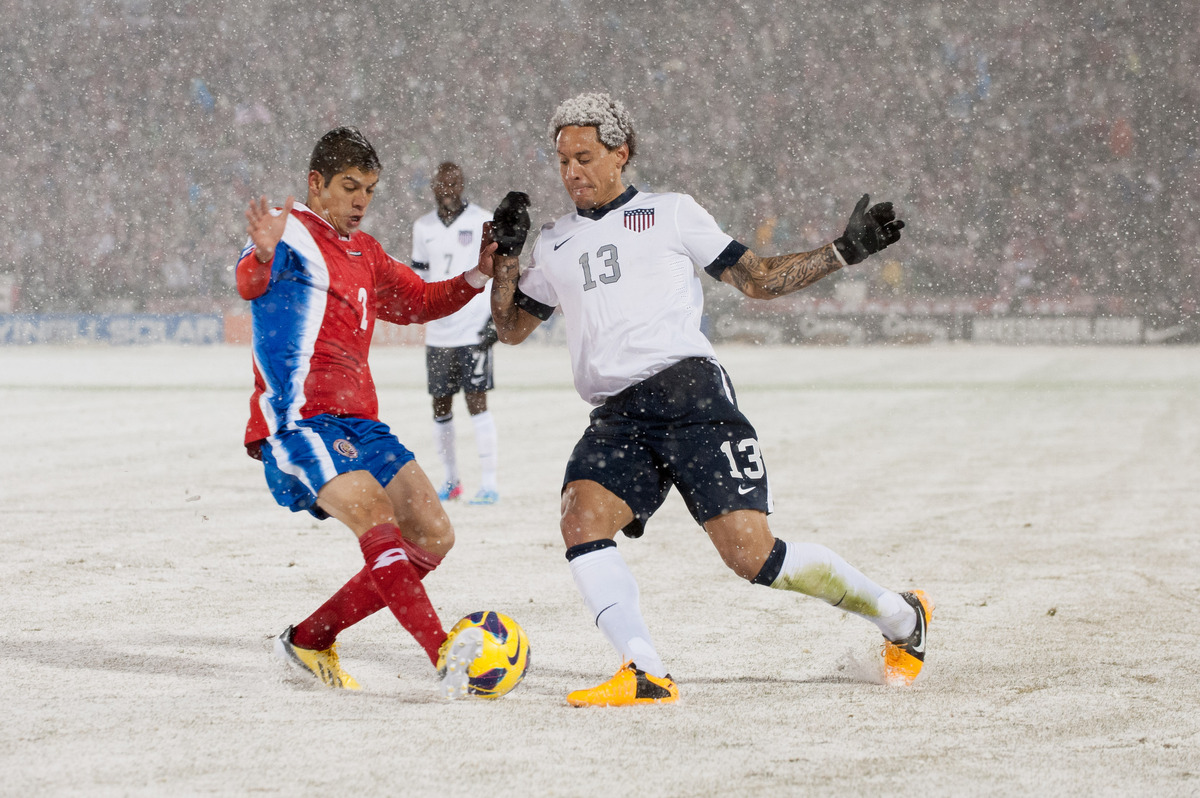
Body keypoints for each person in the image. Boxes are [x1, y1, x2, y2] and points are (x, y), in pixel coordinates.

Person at [489, 93, 930, 707]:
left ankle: (902, 618)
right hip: (617, 415)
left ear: (622, 153)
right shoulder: (557, 242)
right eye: (562, 161)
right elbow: (509, 327)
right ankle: (644, 671)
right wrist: (507, 256)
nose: (571, 173)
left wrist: (842, 251)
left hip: (690, 396)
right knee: (580, 520)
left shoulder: (670, 213)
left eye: (584, 157)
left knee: (753, 556)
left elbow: (757, 280)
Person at [236, 127, 498, 698]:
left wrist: (480, 273)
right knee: (375, 512)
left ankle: (310, 638)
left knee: (432, 533)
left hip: (362, 426)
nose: (361, 201)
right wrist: (259, 253)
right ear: (316, 183)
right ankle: (443, 653)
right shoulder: (288, 232)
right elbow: (248, 280)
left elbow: (422, 301)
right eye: (350, 187)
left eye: (370, 191)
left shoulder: (367, 252)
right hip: (299, 423)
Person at [410, 162, 501, 506]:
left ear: (461, 184)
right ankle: (451, 482)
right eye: (440, 184)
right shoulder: (423, 227)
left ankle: (489, 484)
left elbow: (499, 272)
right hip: (438, 332)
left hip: (473, 328)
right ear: (433, 186)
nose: (446, 189)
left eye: (452, 183)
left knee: (477, 403)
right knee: (440, 406)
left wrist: (495, 318)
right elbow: (419, 278)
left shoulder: (483, 219)